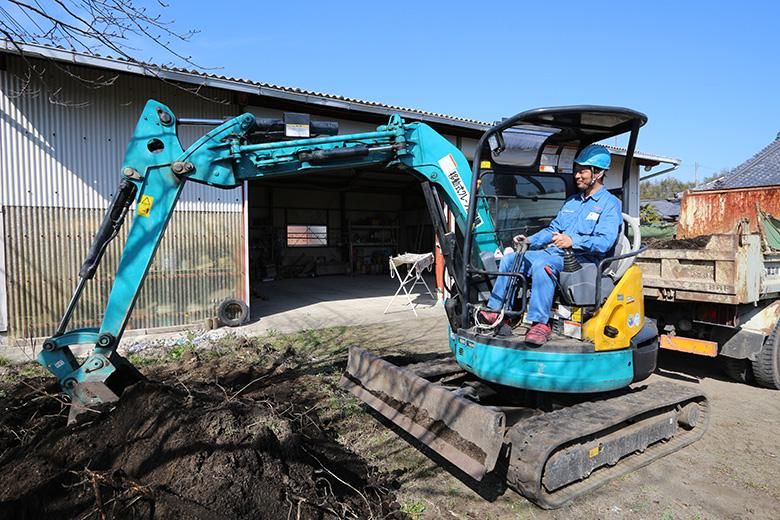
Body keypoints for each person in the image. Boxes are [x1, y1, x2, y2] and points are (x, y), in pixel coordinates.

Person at [479, 144, 622, 345]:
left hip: (582, 260)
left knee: (542, 264)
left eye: (582, 171)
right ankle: (498, 311)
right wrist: (530, 241)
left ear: (597, 173)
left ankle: (540, 323)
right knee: (511, 258)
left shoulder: (609, 204)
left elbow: (605, 242)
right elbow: (551, 230)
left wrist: (573, 241)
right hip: (556, 253)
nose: (577, 176)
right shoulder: (572, 202)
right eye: (576, 171)